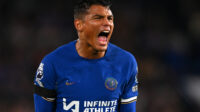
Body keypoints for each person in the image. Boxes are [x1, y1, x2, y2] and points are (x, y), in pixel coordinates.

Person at [33, 0, 139, 112]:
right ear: (79, 25)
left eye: (110, 18)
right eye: (98, 18)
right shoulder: (52, 64)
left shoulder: (126, 62)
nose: (107, 23)